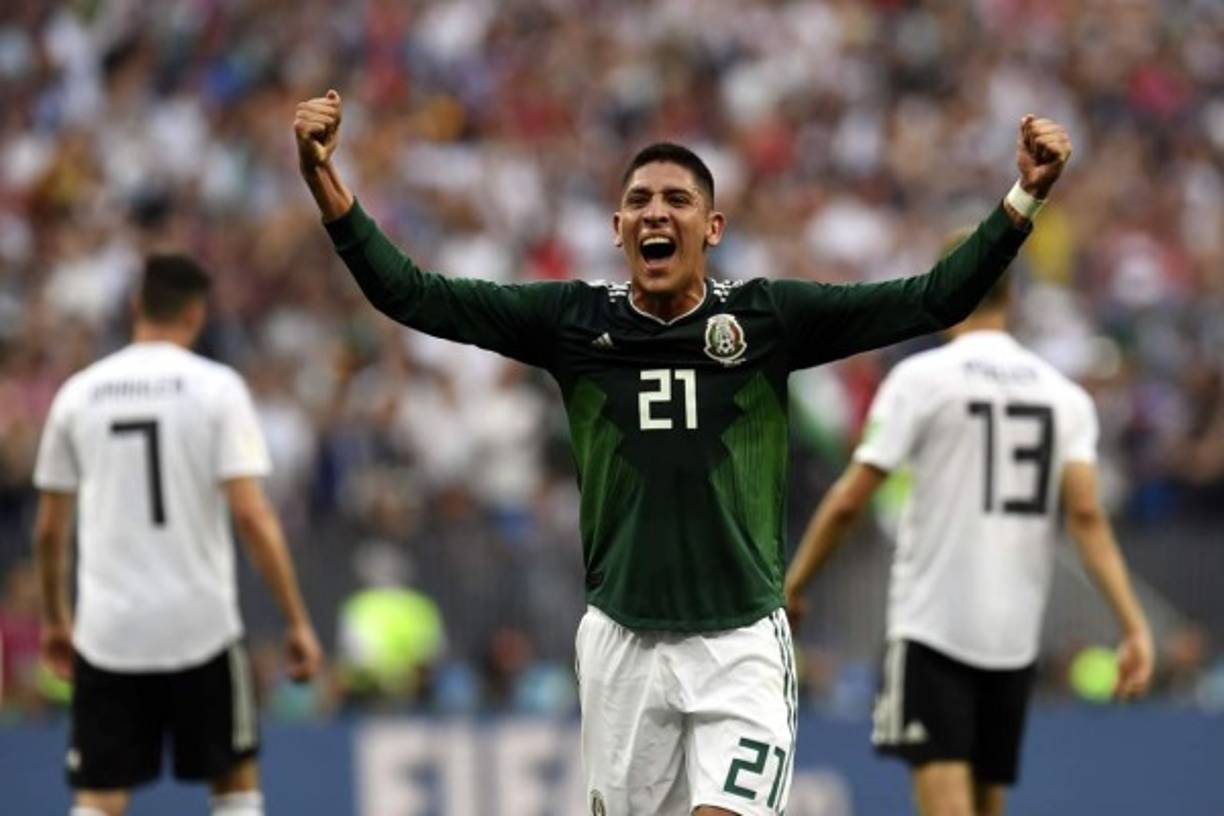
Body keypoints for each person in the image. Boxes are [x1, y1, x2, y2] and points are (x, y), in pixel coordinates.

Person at [294, 87, 1070, 815]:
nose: (655, 212)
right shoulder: (573, 320)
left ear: (713, 227)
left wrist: (1023, 200)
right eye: (638, 201)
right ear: (617, 229)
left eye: (676, 199)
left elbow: (932, 298)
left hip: (739, 642)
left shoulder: (767, 319)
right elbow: (411, 294)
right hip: (622, 643)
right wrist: (323, 178)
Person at [784, 247, 1154, 816]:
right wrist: (1133, 625)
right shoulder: (1064, 395)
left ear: (950, 286)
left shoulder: (921, 379)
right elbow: (1086, 515)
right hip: (1011, 638)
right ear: (1015, 295)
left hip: (934, 627)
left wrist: (796, 584)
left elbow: (848, 500)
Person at [32, 255, 323, 816]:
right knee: (234, 782)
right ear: (196, 314)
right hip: (201, 626)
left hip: (109, 630)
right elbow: (252, 516)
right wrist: (296, 620)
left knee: (99, 795)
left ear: (135, 306)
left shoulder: (78, 395)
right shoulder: (217, 389)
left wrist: (54, 619)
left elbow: (49, 529)